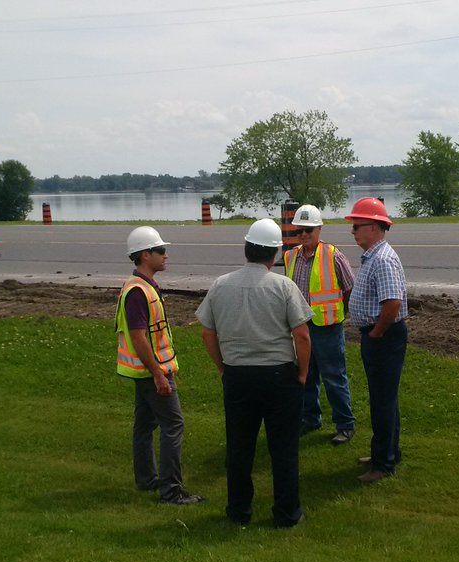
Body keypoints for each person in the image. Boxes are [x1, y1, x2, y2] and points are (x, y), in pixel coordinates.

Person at [197, 219, 313, 528]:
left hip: (238, 376)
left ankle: (239, 511)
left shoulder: (221, 285)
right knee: (284, 449)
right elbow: (301, 335)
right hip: (279, 377)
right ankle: (287, 514)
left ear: (247, 248)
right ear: (274, 254)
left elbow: (208, 333)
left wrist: (223, 367)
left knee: (239, 448)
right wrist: (302, 373)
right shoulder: (283, 286)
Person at [114, 226, 204, 505]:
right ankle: (171, 491)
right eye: (161, 251)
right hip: (152, 373)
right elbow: (139, 338)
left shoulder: (142, 286)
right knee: (173, 425)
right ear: (145, 255)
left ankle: (147, 479)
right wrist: (158, 375)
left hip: (142, 373)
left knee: (144, 425)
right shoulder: (139, 292)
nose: (166, 255)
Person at [281, 204, 357, 445]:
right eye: (299, 231)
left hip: (327, 327)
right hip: (300, 327)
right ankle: (310, 419)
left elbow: (349, 289)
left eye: (309, 230)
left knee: (334, 376)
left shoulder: (334, 255)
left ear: (319, 229)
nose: (303, 235)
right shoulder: (290, 256)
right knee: (305, 375)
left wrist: (340, 312)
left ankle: (345, 425)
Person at [345, 197, 408, 484]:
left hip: (384, 338)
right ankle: (388, 451)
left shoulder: (382, 259)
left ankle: (383, 464)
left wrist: (377, 332)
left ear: (373, 227)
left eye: (357, 226)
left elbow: (392, 302)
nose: (354, 231)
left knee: (382, 401)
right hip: (378, 337)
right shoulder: (373, 256)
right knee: (384, 398)